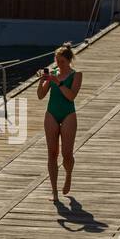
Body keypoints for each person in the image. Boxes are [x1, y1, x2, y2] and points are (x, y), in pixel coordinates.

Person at [36, 43, 83, 202]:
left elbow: (71, 96)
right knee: (52, 153)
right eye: (57, 61)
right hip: (51, 114)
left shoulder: (76, 75)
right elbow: (41, 96)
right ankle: (54, 192)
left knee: (66, 154)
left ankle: (68, 175)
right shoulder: (53, 73)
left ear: (69, 61)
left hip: (68, 114)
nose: (59, 64)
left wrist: (58, 82)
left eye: (62, 61)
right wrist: (42, 80)